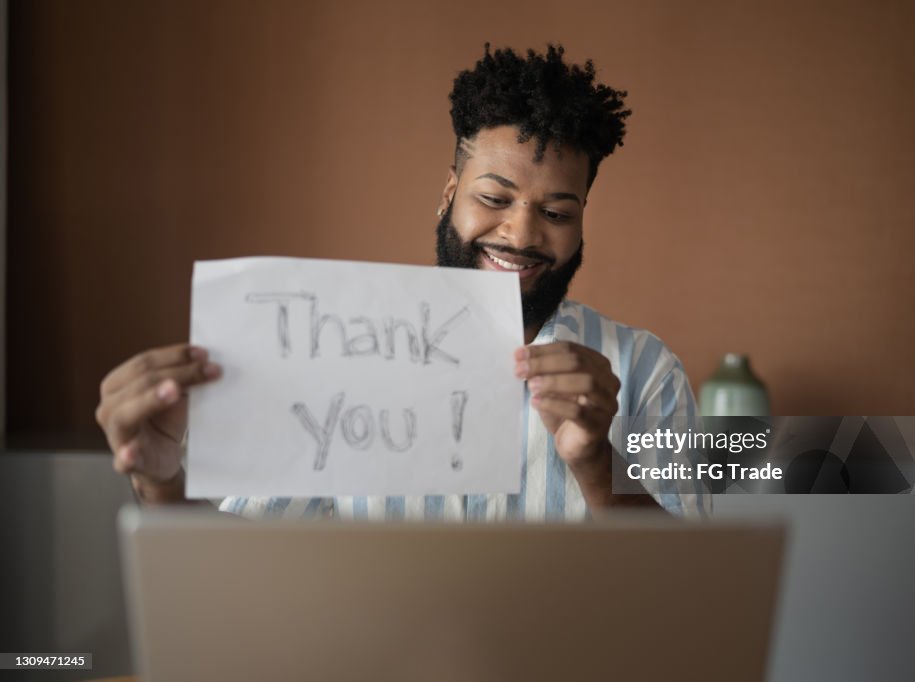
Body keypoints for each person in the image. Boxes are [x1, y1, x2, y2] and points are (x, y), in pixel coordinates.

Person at [95, 44, 708, 520]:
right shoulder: (328, 355)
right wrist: (162, 483)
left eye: (555, 213)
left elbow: (693, 597)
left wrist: (595, 462)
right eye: (494, 197)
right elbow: (241, 574)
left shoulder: (647, 369)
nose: (521, 236)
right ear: (449, 194)